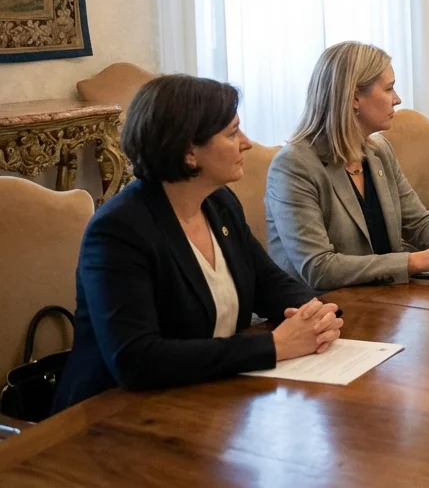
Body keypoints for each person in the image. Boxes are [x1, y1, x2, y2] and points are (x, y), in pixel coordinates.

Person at [52, 76, 342, 413]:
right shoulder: (119, 230)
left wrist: (317, 316)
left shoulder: (219, 203)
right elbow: (136, 359)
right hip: (110, 416)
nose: (247, 142)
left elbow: (270, 284)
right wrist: (274, 346)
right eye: (232, 133)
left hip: (206, 399)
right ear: (190, 152)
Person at [267, 42, 429, 291]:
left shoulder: (379, 151)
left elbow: (418, 223)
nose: (397, 99)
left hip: (388, 299)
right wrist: (417, 261)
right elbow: (319, 268)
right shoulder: (293, 166)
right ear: (354, 98)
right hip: (323, 311)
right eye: (389, 89)